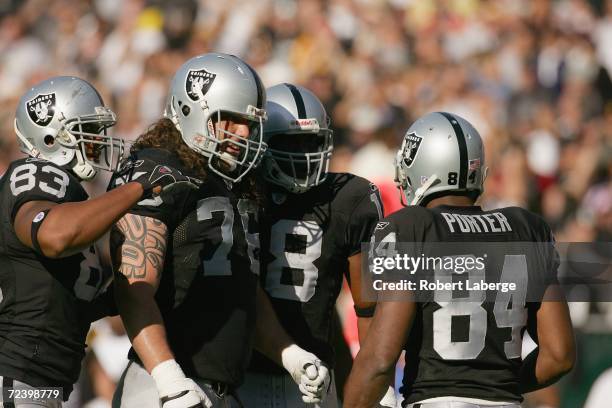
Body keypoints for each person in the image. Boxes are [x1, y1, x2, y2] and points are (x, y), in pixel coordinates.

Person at [110, 54, 329, 408]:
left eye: (250, 123)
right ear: (194, 110)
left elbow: (238, 287)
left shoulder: (233, 182)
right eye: (231, 119)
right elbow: (133, 287)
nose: (244, 133)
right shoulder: (159, 170)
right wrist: (168, 377)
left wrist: (288, 353)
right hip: (163, 386)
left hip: (220, 391)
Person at [343, 112, 576, 407]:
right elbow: (559, 355)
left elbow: (379, 360)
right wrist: (491, 383)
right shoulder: (525, 229)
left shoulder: (411, 228)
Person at [0, 76, 192, 407]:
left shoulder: (71, 197)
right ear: (51, 136)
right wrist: (138, 188)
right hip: (18, 377)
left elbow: (70, 299)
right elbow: (54, 236)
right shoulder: (38, 176)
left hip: (39, 381)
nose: (99, 142)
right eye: (87, 132)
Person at [238, 83, 395, 407]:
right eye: (291, 143)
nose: (304, 155)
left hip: (315, 375)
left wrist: (379, 384)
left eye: (312, 142)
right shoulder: (236, 193)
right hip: (242, 374)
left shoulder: (347, 198)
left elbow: (367, 307)